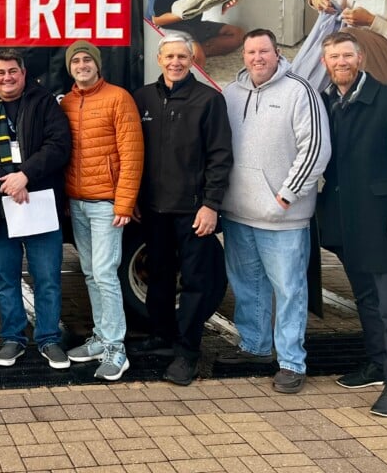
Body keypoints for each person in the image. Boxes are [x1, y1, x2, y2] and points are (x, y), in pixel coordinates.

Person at [218, 29, 331, 394]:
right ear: (244, 56)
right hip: (239, 214)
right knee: (248, 286)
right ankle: (254, 346)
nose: (257, 58)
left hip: (282, 217)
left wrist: (287, 195)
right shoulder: (231, 94)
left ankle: (291, 362)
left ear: (277, 52)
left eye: (263, 50)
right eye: (250, 51)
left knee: (289, 290)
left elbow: (315, 148)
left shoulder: (301, 91)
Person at [318, 31, 387, 418]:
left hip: (384, 224)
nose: (340, 62)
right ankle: (377, 364)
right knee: (365, 299)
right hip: (347, 224)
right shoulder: (328, 101)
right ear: (325, 61)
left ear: (360, 59)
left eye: (346, 55)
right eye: (333, 57)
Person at [131, 32, 233, 386]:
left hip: (193, 212)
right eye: (169, 56)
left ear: (192, 62)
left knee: (195, 283)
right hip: (154, 210)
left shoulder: (209, 100)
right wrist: (136, 199)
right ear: (159, 59)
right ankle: (161, 337)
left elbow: (221, 157)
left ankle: (187, 352)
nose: (175, 63)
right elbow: (133, 153)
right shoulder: (143, 97)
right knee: (159, 276)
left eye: (182, 57)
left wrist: (210, 205)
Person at [0, 49, 72, 370]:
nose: (7, 78)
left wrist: (25, 175)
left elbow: (59, 144)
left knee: (47, 278)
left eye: (13, 71)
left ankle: (49, 338)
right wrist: (7, 182)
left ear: (23, 74)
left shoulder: (45, 102)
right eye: (0, 73)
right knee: (6, 279)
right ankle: (13, 337)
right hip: (0, 208)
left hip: (40, 204)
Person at [60, 41, 143, 381]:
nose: (81, 65)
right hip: (77, 203)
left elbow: (132, 154)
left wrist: (124, 202)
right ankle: (100, 337)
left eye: (86, 60)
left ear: (97, 64)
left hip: (107, 204)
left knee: (106, 273)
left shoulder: (118, 98)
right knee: (91, 272)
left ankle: (116, 349)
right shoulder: (66, 102)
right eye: (76, 61)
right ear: (70, 68)